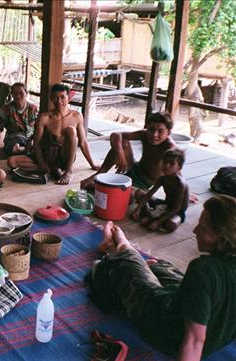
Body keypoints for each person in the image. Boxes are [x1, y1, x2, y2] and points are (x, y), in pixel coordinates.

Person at [89, 195, 236, 361]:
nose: (195, 231)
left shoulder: (203, 270)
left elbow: (195, 340)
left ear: (221, 236)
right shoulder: (212, 270)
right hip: (204, 327)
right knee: (158, 265)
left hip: (165, 331)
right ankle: (142, 262)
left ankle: (117, 247)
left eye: (202, 228)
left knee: (126, 262)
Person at [7, 83, 98, 185]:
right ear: (51, 98)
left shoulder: (76, 116)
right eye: (55, 97)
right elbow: (36, 144)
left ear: (69, 98)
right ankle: (51, 170)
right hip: (48, 156)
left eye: (62, 97)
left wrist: (92, 164)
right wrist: (41, 163)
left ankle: (68, 171)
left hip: (65, 157)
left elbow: (83, 143)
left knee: (71, 131)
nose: (59, 101)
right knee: (11, 161)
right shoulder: (44, 117)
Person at [80, 112, 176, 191]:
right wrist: (120, 154)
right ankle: (99, 174)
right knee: (123, 143)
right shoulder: (144, 134)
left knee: (112, 192)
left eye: (160, 131)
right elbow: (115, 135)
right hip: (134, 169)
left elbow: (175, 173)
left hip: (144, 183)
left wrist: (180, 192)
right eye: (151, 129)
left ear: (169, 132)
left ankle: (105, 185)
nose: (154, 134)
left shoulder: (170, 148)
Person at [131, 148, 189, 232]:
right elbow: (149, 195)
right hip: (165, 205)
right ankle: (149, 215)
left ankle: (153, 218)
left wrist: (158, 222)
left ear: (179, 167)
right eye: (165, 162)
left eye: (171, 164)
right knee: (139, 193)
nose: (167, 166)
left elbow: (177, 208)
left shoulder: (180, 184)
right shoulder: (162, 179)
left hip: (177, 212)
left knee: (171, 224)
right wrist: (137, 209)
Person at [0, 82, 38, 156]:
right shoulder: (6, 109)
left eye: (21, 93)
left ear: (26, 93)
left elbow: (38, 127)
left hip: (30, 138)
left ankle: (26, 149)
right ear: (12, 94)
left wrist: (35, 140)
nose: (18, 96)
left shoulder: (33, 108)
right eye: (15, 93)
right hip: (13, 138)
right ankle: (26, 150)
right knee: (13, 148)